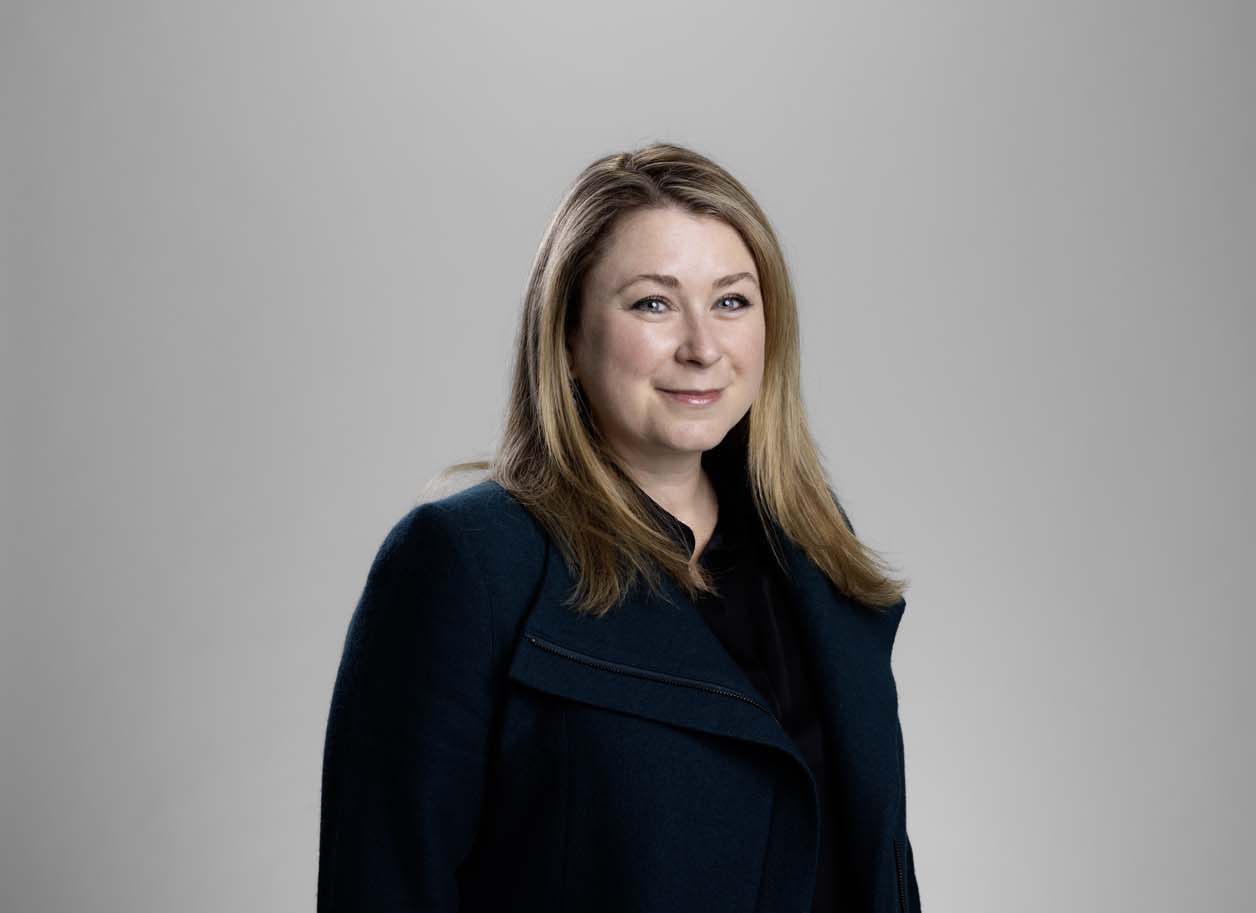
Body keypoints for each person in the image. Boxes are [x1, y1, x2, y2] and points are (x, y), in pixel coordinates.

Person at [317, 142, 923, 912]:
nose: (702, 347)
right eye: (652, 304)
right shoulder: (467, 562)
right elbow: (383, 885)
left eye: (732, 302)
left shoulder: (810, 546)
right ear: (567, 337)